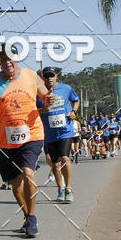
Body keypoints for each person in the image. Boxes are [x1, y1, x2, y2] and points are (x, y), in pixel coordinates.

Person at [0, 49, 51, 237]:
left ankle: (32, 217)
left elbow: (46, 97)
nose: (7, 61)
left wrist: (49, 102)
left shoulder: (31, 76)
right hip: (7, 139)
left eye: (10, 57)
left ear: (16, 58)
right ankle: (27, 214)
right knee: (16, 186)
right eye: (2, 58)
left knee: (28, 173)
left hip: (32, 134)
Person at [38, 67, 80, 203]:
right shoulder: (38, 93)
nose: (49, 78)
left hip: (65, 130)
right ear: (43, 78)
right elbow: (35, 110)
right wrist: (44, 109)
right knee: (55, 165)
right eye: (46, 76)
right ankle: (60, 188)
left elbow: (76, 99)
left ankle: (69, 188)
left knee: (65, 157)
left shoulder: (66, 88)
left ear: (56, 76)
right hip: (49, 133)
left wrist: (74, 111)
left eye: (52, 75)